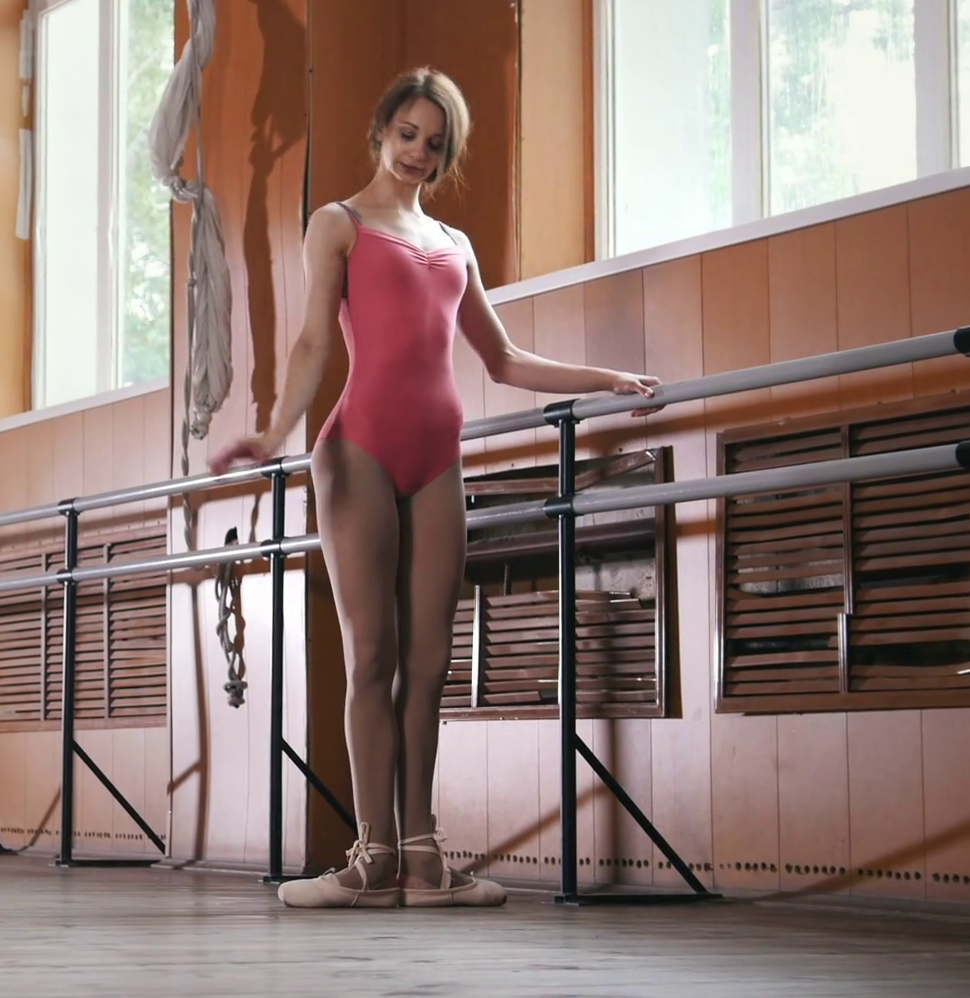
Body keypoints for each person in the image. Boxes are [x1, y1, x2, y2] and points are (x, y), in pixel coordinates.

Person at [210, 67, 659, 909]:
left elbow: (504, 359)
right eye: (408, 134)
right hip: (358, 452)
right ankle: (369, 856)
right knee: (372, 656)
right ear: (380, 131)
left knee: (431, 663)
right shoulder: (337, 225)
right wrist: (272, 434)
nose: (418, 152)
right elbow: (313, 344)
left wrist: (607, 379)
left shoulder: (455, 243)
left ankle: (421, 859)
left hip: (437, 459)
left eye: (435, 142)